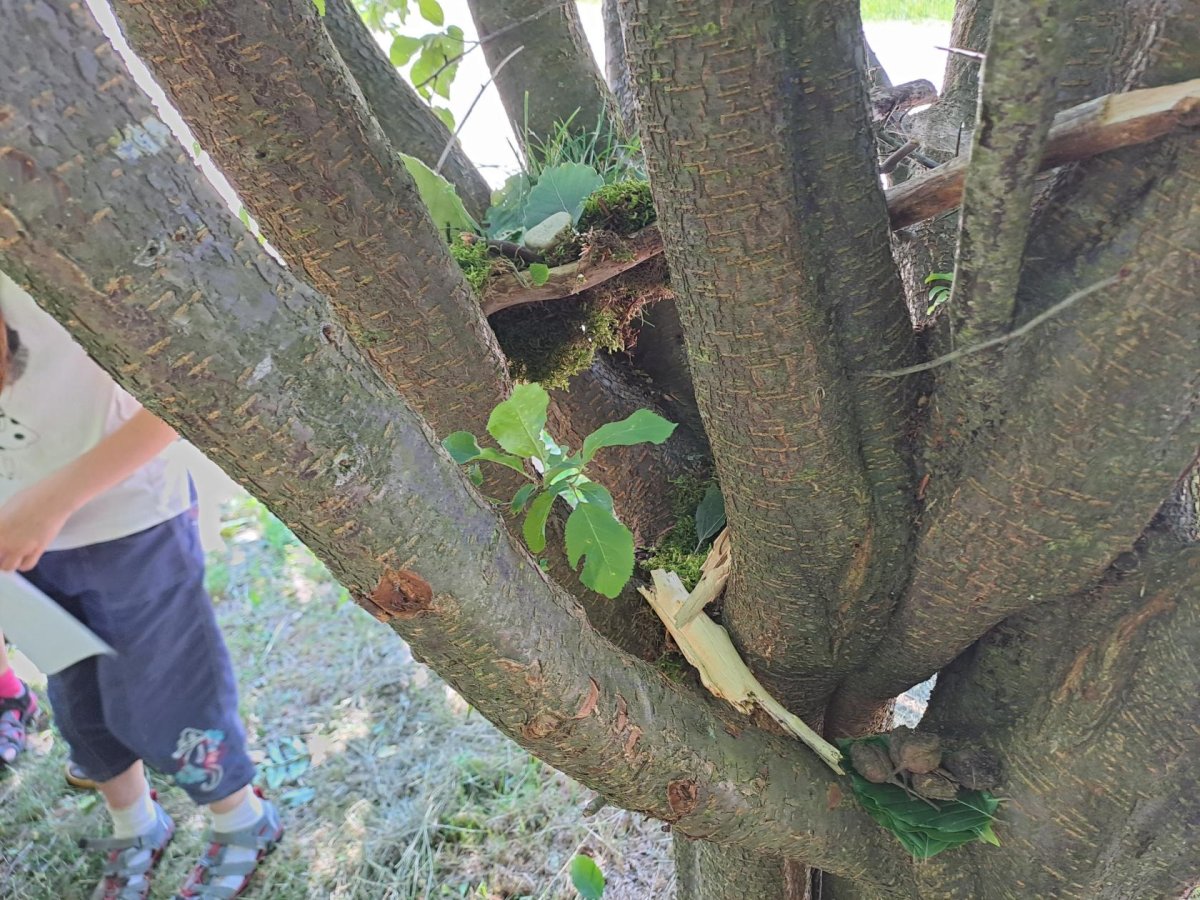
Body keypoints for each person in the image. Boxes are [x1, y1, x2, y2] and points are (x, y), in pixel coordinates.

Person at [0, 270, 282, 899]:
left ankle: (242, 820)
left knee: (171, 698)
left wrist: (51, 502)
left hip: (131, 521)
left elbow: (187, 391)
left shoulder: (59, 240)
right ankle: (136, 825)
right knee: (79, 705)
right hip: (19, 541)